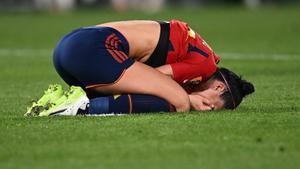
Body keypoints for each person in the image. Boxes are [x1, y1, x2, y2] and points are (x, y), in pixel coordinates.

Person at [24, 20, 254, 116]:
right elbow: (157, 79)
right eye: (210, 105)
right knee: (179, 102)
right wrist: (189, 100)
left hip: (70, 45)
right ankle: (79, 109)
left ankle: (56, 101)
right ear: (218, 86)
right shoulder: (205, 65)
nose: (205, 109)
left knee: (156, 91)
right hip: (93, 49)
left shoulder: (200, 50)